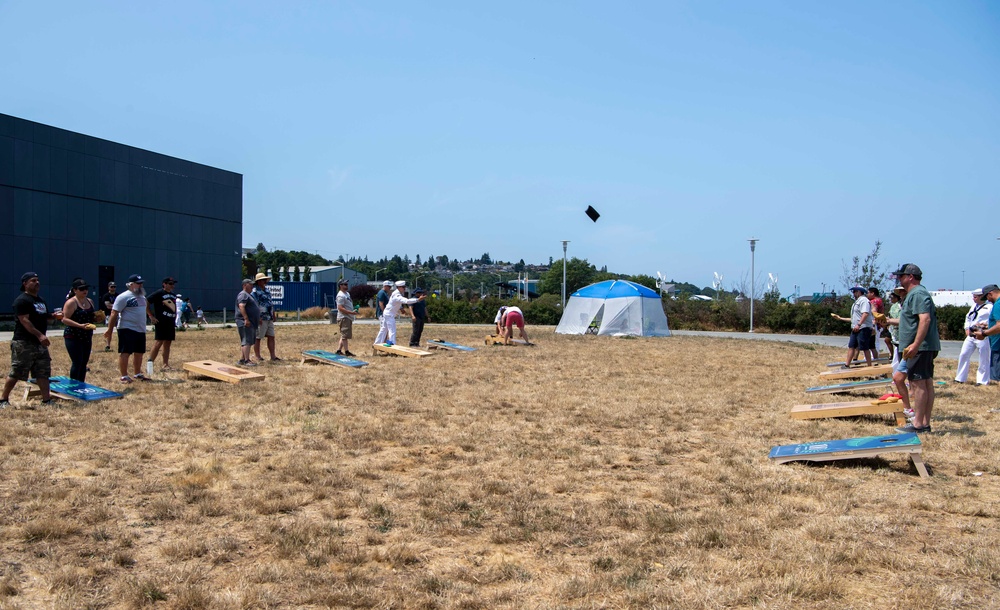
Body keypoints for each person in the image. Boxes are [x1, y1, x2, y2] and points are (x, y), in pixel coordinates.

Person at [1, 272, 63, 407]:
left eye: (38, 280)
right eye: (33, 281)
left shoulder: (40, 300)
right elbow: (24, 320)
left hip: (39, 344)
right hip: (24, 342)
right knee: (17, 371)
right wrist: (40, 335)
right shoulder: (22, 300)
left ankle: (46, 400)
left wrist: (53, 316)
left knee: (43, 371)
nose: (37, 283)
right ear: (25, 284)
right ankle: (3, 400)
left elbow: (42, 316)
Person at [893, 264, 940, 434]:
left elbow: (924, 320)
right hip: (920, 347)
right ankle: (924, 423)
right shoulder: (914, 294)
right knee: (925, 383)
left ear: (910, 276)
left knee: (919, 384)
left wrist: (916, 344)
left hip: (920, 348)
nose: (899, 279)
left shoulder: (918, 293)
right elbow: (911, 321)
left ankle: (918, 424)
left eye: (901, 276)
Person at [105, 274, 155, 383]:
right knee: (125, 352)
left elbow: (144, 309)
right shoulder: (123, 297)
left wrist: (150, 316)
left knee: (139, 352)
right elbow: (114, 313)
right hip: (127, 328)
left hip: (140, 329)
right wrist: (109, 330)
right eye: (138, 283)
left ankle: (137, 373)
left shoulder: (142, 296)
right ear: (131, 284)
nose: (141, 285)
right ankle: (124, 376)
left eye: (141, 283)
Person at [62, 278, 98, 382]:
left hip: (86, 335)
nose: (84, 291)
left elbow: (91, 316)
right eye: (81, 289)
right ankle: (73, 385)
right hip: (73, 335)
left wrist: (97, 318)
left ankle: (81, 384)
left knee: (84, 363)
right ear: (75, 290)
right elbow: (65, 319)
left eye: (86, 288)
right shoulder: (71, 302)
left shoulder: (90, 301)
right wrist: (79, 325)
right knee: (77, 362)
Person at [831, 286, 875, 367]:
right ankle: (847, 365)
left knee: (865, 348)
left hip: (863, 328)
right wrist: (840, 318)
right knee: (851, 346)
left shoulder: (864, 300)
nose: (853, 294)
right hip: (855, 328)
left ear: (859, 292)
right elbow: (854, 318)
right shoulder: (857, 302)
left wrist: (859, 324)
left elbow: (865, 313)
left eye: (854, 291)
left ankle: (869, 366)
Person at [956, 288, 992, 385]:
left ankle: (982, 380)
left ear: (982, 296)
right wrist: (966, 328)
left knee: (983, 358)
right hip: (971, 335)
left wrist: (985, 327)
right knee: (964, 354)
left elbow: (992, 320)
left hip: (982, 335)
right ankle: (960, 378)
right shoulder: (974, 307)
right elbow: (968, 318)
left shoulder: (989, 307)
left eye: (975, 297)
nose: (973, 299)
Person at [884, 286, 911, 416]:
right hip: (899, 340)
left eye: (903, 290)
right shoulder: (896, 306)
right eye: (899, 291)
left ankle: (910, 408)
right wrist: (886, 322)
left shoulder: (911, 303)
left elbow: (907, 321)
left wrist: (889, 321)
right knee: (900, 374)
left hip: (910, 342)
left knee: (905, 375)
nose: (901, 293)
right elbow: (890, 319)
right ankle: (908, 407)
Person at [374, 280, 425, 346]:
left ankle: (377, 343)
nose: (405, 288)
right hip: (389, 314)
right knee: (392, 330)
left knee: (384, 329)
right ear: (399, 287)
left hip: (387, 313)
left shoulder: (396, 293)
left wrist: (401, 308)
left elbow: (396, 302)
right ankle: (392, 345)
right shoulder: (397, 295)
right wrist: (418, 300)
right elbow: (406, 301)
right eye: (403, 287)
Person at [147, 277, 178, 371]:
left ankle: (165, 364)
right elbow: (146, 302)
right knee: (159, 342)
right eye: (170, 283)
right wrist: (151, 316)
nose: (172, 285)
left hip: (170, 321)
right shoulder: (159, 293)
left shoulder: (173, 295)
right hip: (161, 321)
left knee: (168, 343)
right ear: (164, 284)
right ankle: (150, 364)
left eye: (173, 284)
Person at [972, 284, 1000, 384]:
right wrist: (988, 326)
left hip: (998, 346)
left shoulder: (998, 304)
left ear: (990, 294)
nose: (988, 300)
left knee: (997, 380)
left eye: (987, 298)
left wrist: (984, 333)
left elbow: (999, 326)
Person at [251, 273, 280, 362]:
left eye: (265, 280)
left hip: (269, 317)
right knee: (258, 337)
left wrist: (273, 314)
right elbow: (254, 305)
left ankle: (273, 356)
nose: (265, 282)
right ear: (259, 281)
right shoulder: (255, 292)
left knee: (271, 336)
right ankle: (257, 356)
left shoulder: (267, 291)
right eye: (263, 280)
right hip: (261, 317)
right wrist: (257, 316)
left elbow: (270, 303)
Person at [235, 279, 261, 366]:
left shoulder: (248, 295)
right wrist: (246, 319)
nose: (252, 286)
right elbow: (241, 306)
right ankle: (247, 360)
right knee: (247, 340)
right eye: (250, 285)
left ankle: (242, 359)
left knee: (246, 340)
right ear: (245, 285)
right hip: (245, 321)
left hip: (250, 321)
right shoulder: (243, 294)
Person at [335, 279, 358, 356]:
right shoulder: (340, 295)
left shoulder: (347, 293)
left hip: (348, 317)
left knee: (344, 335)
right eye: (344, 284)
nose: (346, 286)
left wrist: (353, 310)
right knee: (345, 336)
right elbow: (340, 308)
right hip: (344, 317)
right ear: (340, 286)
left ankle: (338, 350)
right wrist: (351, 312)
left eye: (347, 284)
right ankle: (347, 352)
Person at [867, 287, 888, 357]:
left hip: (875, 324)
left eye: (868, 293)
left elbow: (874, 312)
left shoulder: (874, 301)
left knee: (873, 342)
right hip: (879, 324)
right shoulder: (880, 300)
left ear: (872, 293)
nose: (867, 294)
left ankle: (874, 358)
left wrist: (873, 323)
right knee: (876, 341)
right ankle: (874, 356)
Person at [100, 281, 117, 351]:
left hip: (118, 314)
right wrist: (116, 305)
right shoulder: (106, 296)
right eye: (111, 287)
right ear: (108, 287)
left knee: (120, 330)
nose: (113, 288)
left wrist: (113, 305)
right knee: (110, 330)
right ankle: (108, 345)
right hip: (109, 315)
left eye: (114, 287)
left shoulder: (118, 295)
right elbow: (108, 306)